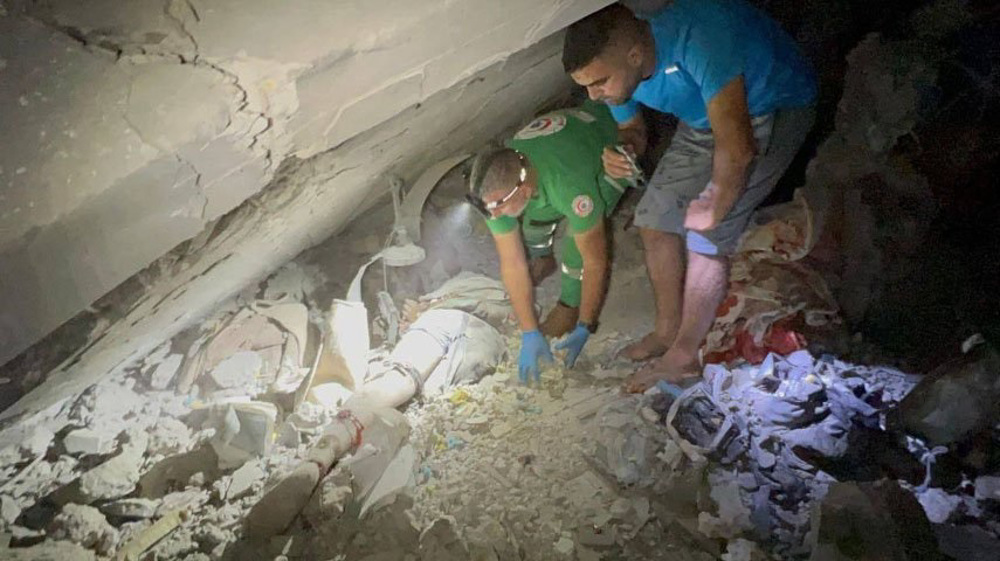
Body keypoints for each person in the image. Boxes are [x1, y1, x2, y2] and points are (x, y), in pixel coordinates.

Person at [563, 0, 817, 392]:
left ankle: (683, 357)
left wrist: (713, 203)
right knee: (653, 221)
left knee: (706, 237)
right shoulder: (619, 75)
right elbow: (632, 129)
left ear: (634, 55)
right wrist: (625, 149)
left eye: (598, 83)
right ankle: (666, 333)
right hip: (702, 119)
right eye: (585, 88)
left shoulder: (700, 36)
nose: (594, 96)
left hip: (773, 104)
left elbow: (737, 146)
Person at [467, 101, 637, 383]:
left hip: (612, 151)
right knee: (533, 224)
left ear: (524, 188)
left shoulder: (568, 184)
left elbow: (595, 260)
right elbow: (512, 263)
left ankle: (567, 308)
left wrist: (586, 324)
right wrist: (529, 331)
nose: (495, 215)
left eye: (500, 207)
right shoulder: (497, 188)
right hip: (563, 142)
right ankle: (544, 260)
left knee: (576, 250)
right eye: (491, 209)